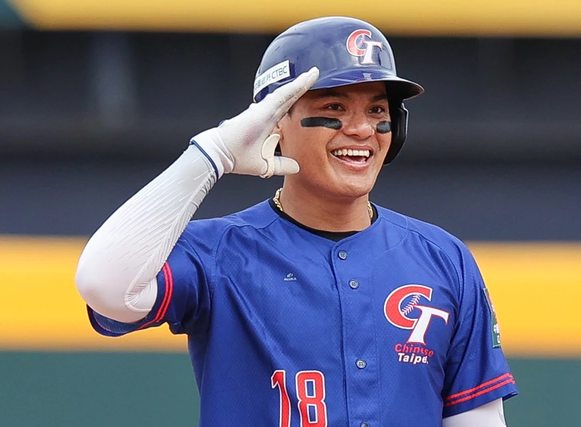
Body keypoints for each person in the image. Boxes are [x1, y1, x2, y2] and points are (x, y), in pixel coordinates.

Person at [76, 16, 517, 427]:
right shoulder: (217, 253)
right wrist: (213, 154)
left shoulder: (443, 257)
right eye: (335, 106)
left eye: (377, 111)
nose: (362, 129)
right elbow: (104, 287)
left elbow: (476, 420)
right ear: (273, 122)